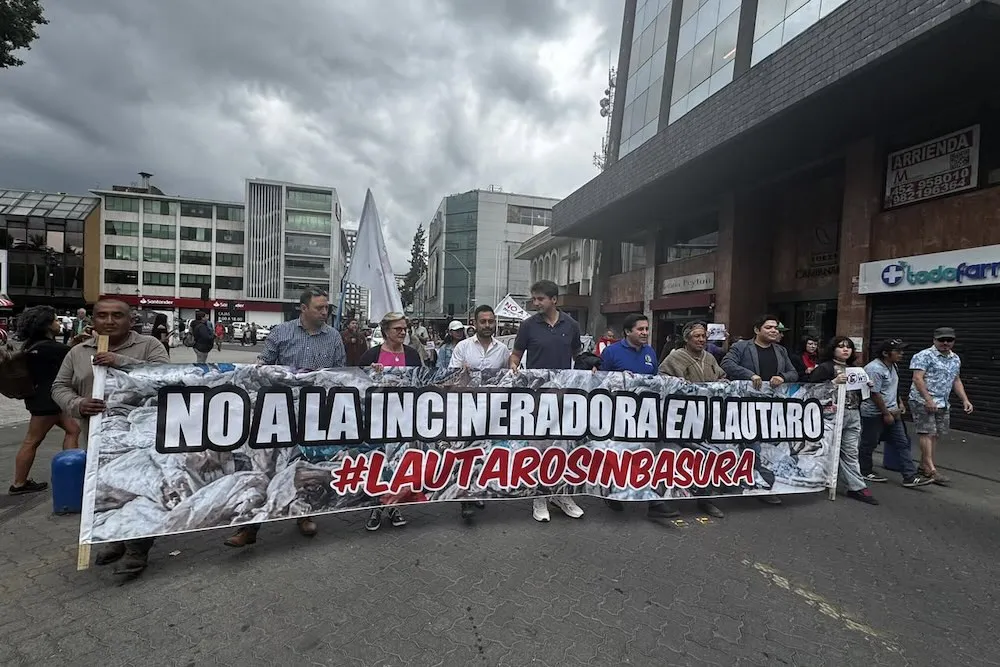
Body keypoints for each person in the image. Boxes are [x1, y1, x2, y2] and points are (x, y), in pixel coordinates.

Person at [51, 299, 170, 576]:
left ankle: (137, 549)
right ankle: (114, 537)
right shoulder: (78, 352)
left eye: (117, 315)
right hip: (96, 434)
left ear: (131, 320)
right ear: (93, 320)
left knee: (140, 488)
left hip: (141, 436)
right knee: (106, 489)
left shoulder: (150, 346)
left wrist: (122, 363)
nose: (109, 321)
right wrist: (78, 404)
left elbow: (166, 377)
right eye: (102, 315)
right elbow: (59, 387)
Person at [225, 288, 346, 548]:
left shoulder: (334, 337)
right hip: (279, 411)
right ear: (303, 308)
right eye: (319, 308)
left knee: (305, 463)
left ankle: (303, 514)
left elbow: (339, 373)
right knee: (265, 464)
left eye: (327, 308)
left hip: (314, 411)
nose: (325, 312)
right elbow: (263, 368)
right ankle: (250, 525)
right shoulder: (281, 333)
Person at [510, 279, 584, 522]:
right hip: (536, 397)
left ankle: (561, 494)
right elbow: (516, 355)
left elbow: (578, 356)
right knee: (539, 447)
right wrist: (513, 366)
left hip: (563, 398)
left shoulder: (571, 325)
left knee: (562, 447)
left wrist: (589, 369)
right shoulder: (528, 326)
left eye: (540, 299)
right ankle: (539, 496)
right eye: (534, 298)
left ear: (554, 300)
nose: (535, 303)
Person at [721, 314, 798, 506]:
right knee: (751, 446)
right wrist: (749, 375)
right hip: (745, 406)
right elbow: (727, 364)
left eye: (776, 328)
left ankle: (758, 480)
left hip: (772, 408)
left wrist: (782, 376)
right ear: (757, 330)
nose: (774, 331)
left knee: (767, 448)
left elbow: (794, 373)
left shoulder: (780, 351)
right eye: (769, 327)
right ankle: (755, 484)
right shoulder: (741, 347)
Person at [7, 306, 85, 495]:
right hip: (48, 401)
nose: (59, 324)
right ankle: (19, 483)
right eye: (55, 320)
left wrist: (74, 342)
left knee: (73, 429)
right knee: (32, 440)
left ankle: (69, 473)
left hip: (40, 399)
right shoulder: (50, 348)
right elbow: (73, 356)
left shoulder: (32, 345)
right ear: (46, 325)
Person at [359, 312, 421, 530]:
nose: (403, 332)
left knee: (398, 463)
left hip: (403, 418)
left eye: (405, 328)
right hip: (377, 419)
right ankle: (375, 507)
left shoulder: (413, 355)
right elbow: (357, 384)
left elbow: (419, 383)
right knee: (378, 463)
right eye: (398, 329)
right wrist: (371, 375)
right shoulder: (371, 355)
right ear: (386, 331)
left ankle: (394, 506)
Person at [658, 320, 727, 518]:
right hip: (682, 416)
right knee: (678, 457)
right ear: (687, 338)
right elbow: (661, 377)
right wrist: (677, 383)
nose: (701, 340)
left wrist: (723, 382)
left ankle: (706, 499)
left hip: (706, 416)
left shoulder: (710, 358)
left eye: (703, 336)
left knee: (707, 457)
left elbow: (721, 376)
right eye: (697, 336)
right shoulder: (675, 357)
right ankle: (672, 499)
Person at [449, 305, 510, 521]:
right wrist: (462, 375)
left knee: (484, 451)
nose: (487, 325)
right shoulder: (463, 347)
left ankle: (477, 490)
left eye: (491, 321)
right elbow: (452, 378)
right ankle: (464, 498)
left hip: (490, 410)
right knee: (465, 451)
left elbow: (506, 379)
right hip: (465, 408)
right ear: (474, 323)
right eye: (483, 321)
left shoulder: (503, 350)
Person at [806, 337, 878, 504]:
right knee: (825, 449)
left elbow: (860, 394)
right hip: (830, 415)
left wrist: (867, 386)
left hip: (853, 414)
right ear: (833, 349)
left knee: (850, 451)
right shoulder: (825, 368)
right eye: (841, 347)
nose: (845, 350)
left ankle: (856, 487)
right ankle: (819, 480)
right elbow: (810, 392)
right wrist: (832, 383)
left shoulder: (856, 370)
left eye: (849, 347)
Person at [860, 339, 934, 488]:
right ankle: (864, 470)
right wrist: (886, 413)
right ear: (885, 353)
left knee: (902, 443)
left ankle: (910, 476)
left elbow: (893, 387)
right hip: (874, 414)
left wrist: (899, 402)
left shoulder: (893, 366)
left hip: (893, 411)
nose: (901, 354)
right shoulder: (874, 369)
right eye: (898, 351)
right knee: (869, 443)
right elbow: (875, 394)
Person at [908, 327, 973, 485]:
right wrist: (928, 399)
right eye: (941, 340)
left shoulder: (955, 358)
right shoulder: (923, 355)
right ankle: (931, 470)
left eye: (949, 340)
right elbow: (918, 379)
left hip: (943, 402)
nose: (945, 343)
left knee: (935, 434)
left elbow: (956, 380)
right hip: (922, 400)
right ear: (934, 340)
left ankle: (924, 466)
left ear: (953, 341)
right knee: (927, 432)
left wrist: (965, 399)